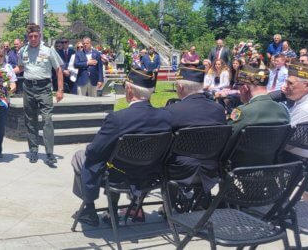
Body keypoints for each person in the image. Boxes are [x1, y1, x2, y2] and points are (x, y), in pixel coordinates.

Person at [71, 68, 172, 226]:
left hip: (118, 176)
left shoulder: (118, 119)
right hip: (150, 175)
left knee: (81, 156)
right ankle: (135, 206)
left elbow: (94, 151)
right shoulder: (166, 117)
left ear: (129, 89)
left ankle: (89, 209)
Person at [165, 66, 227, 198]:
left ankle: (168, 205)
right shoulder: (219, 109)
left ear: (180, 87)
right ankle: (201, 201)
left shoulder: (172, 111)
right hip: (211, 168)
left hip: (179, 170)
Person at [15, 23, 64, 166]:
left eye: (36, 36)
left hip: (44, 88)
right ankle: (33, 150)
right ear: (28, 37)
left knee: (47, 119)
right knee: (30, 120)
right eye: (30, 36)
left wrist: (60, 90)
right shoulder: (23, 50)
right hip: (28, 87)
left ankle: (49, 154)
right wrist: (5, 72)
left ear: (40, 36)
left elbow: (58, 69)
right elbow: (20, 67)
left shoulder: (49, 50)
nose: (33, 38)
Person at [227, 65, 290, 166]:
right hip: (270, 167)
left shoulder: (243, 111)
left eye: (239, 89)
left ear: (244, 88)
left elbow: (228, 138)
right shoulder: (283, 110)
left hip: (240, 168)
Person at [281, 62, 308, 160]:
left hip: (295, 161)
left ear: (306, 86)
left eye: (290, 83)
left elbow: (280, 137)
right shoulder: (304, 100)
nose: (285, 86)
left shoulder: (306, 108)